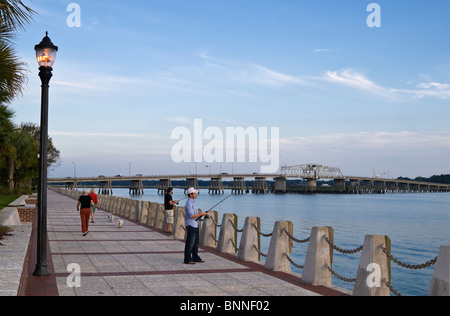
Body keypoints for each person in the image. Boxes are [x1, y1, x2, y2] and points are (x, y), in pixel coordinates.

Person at [184, 187, 207, 264]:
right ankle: (187, 259)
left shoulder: (194, 202)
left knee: (196, 243)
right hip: (190, 225)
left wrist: (200, 214)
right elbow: (192, 216)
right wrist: (201, 214)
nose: (196, 194)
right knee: (190, 243)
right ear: (190, 194)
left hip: (195, 224)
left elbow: (195, 215)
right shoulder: (189, 203)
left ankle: (195, 257)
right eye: (195, 193)